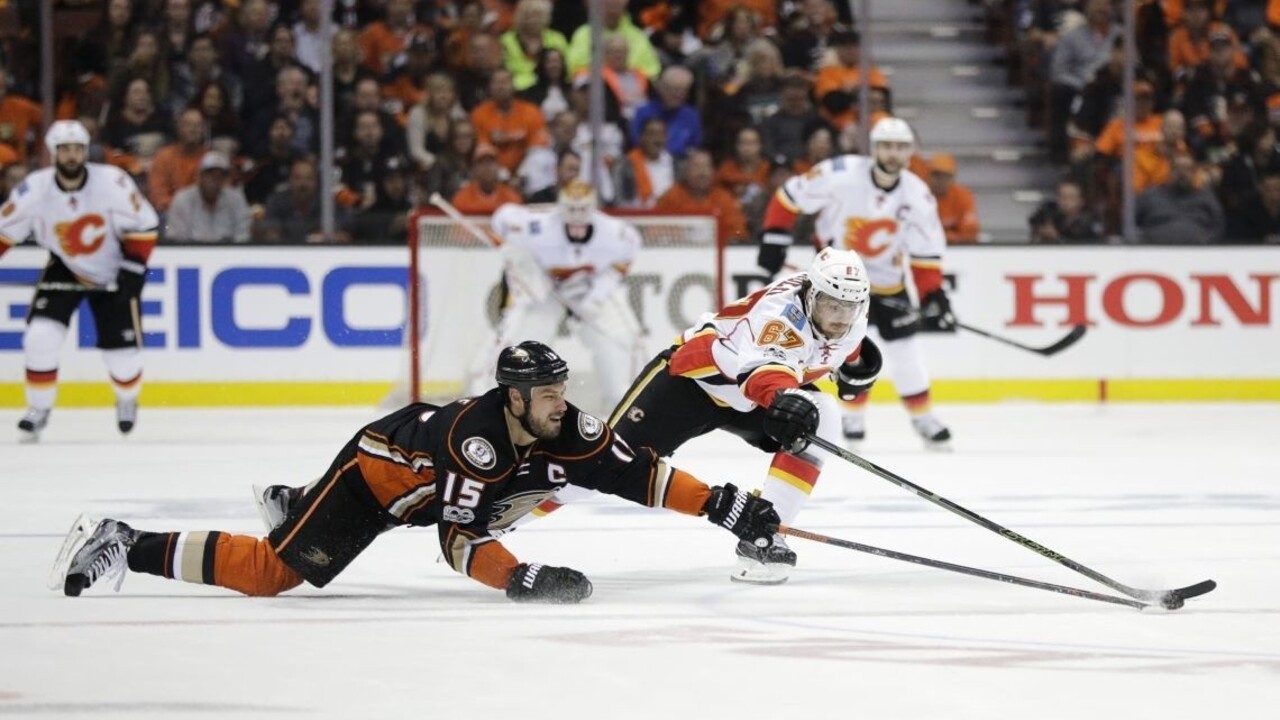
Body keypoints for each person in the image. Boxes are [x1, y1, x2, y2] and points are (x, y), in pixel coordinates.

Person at [50, 341, 780, 604]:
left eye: (564, 389)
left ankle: (289, 500)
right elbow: (458, 541)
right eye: (549, 394)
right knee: (273, 576)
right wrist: (518, 579)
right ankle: (118, 538)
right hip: (378, 482)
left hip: (441, 491)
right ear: (515, 397)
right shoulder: (477, 441)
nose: (564, 404)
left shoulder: (564, 425)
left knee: (573, 474)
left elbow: (641, 476)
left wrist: (723, 505)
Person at [563, 247, 877, 585]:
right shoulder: (781, 314)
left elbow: (844, 346)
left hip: (744, 398)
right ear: (811, 293)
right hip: (691, 384)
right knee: (600, 463)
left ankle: (764, 535)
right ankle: (505, 514)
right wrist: (783, 397)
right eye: (832, 305)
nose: (840, 317)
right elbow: (761, 374)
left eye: (849, 307)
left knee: (823, 415)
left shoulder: (853, 313)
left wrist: (856, 366)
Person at [756, 117, 954, 449]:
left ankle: (923, 418)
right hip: (836, 286)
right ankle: (852, 416)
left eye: (901, 147)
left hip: (888, 284)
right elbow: (790, 196)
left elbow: (925, 251)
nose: (893, 154)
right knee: (845, 349)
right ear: (874, 148)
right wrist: (774, 239)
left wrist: (933, 292)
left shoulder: (918, 194)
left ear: (911, 152)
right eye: (887, 146)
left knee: (906, 352)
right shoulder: (841, 173)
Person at [0, 120, 159, 441]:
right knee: (39, 338)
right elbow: (4, 233)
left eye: (77, 149)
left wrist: (134, 267)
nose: (72, 156)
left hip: (115, 267)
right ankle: (39, 409)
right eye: (64, 150)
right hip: (65, 266)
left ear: (85, 152)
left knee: (123, 360)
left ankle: (127, 399)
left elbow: (146, 224)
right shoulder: (35, 190)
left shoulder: (112, 182)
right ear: (53, 153)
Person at [467, 181, 642, 411]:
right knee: (524, 340)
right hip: (546, 291)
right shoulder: (537, 226)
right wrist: (523, 262)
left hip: (587, 289)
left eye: (583, 210)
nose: (577, 217)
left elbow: (625, 259)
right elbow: (501, 219)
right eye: (571, 209)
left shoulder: (617, 233)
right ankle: (495, 399)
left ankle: (621, 403)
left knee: (619, 338)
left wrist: (597, 295)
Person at [165, 151, 251, 243]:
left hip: (228, 253)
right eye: (210, 174)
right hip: (191, 254)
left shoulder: (236, 199)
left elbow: (243, 235)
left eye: (220, 175)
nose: (215, 179)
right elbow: (176, 238)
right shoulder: (182, 199)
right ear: (200, 176)